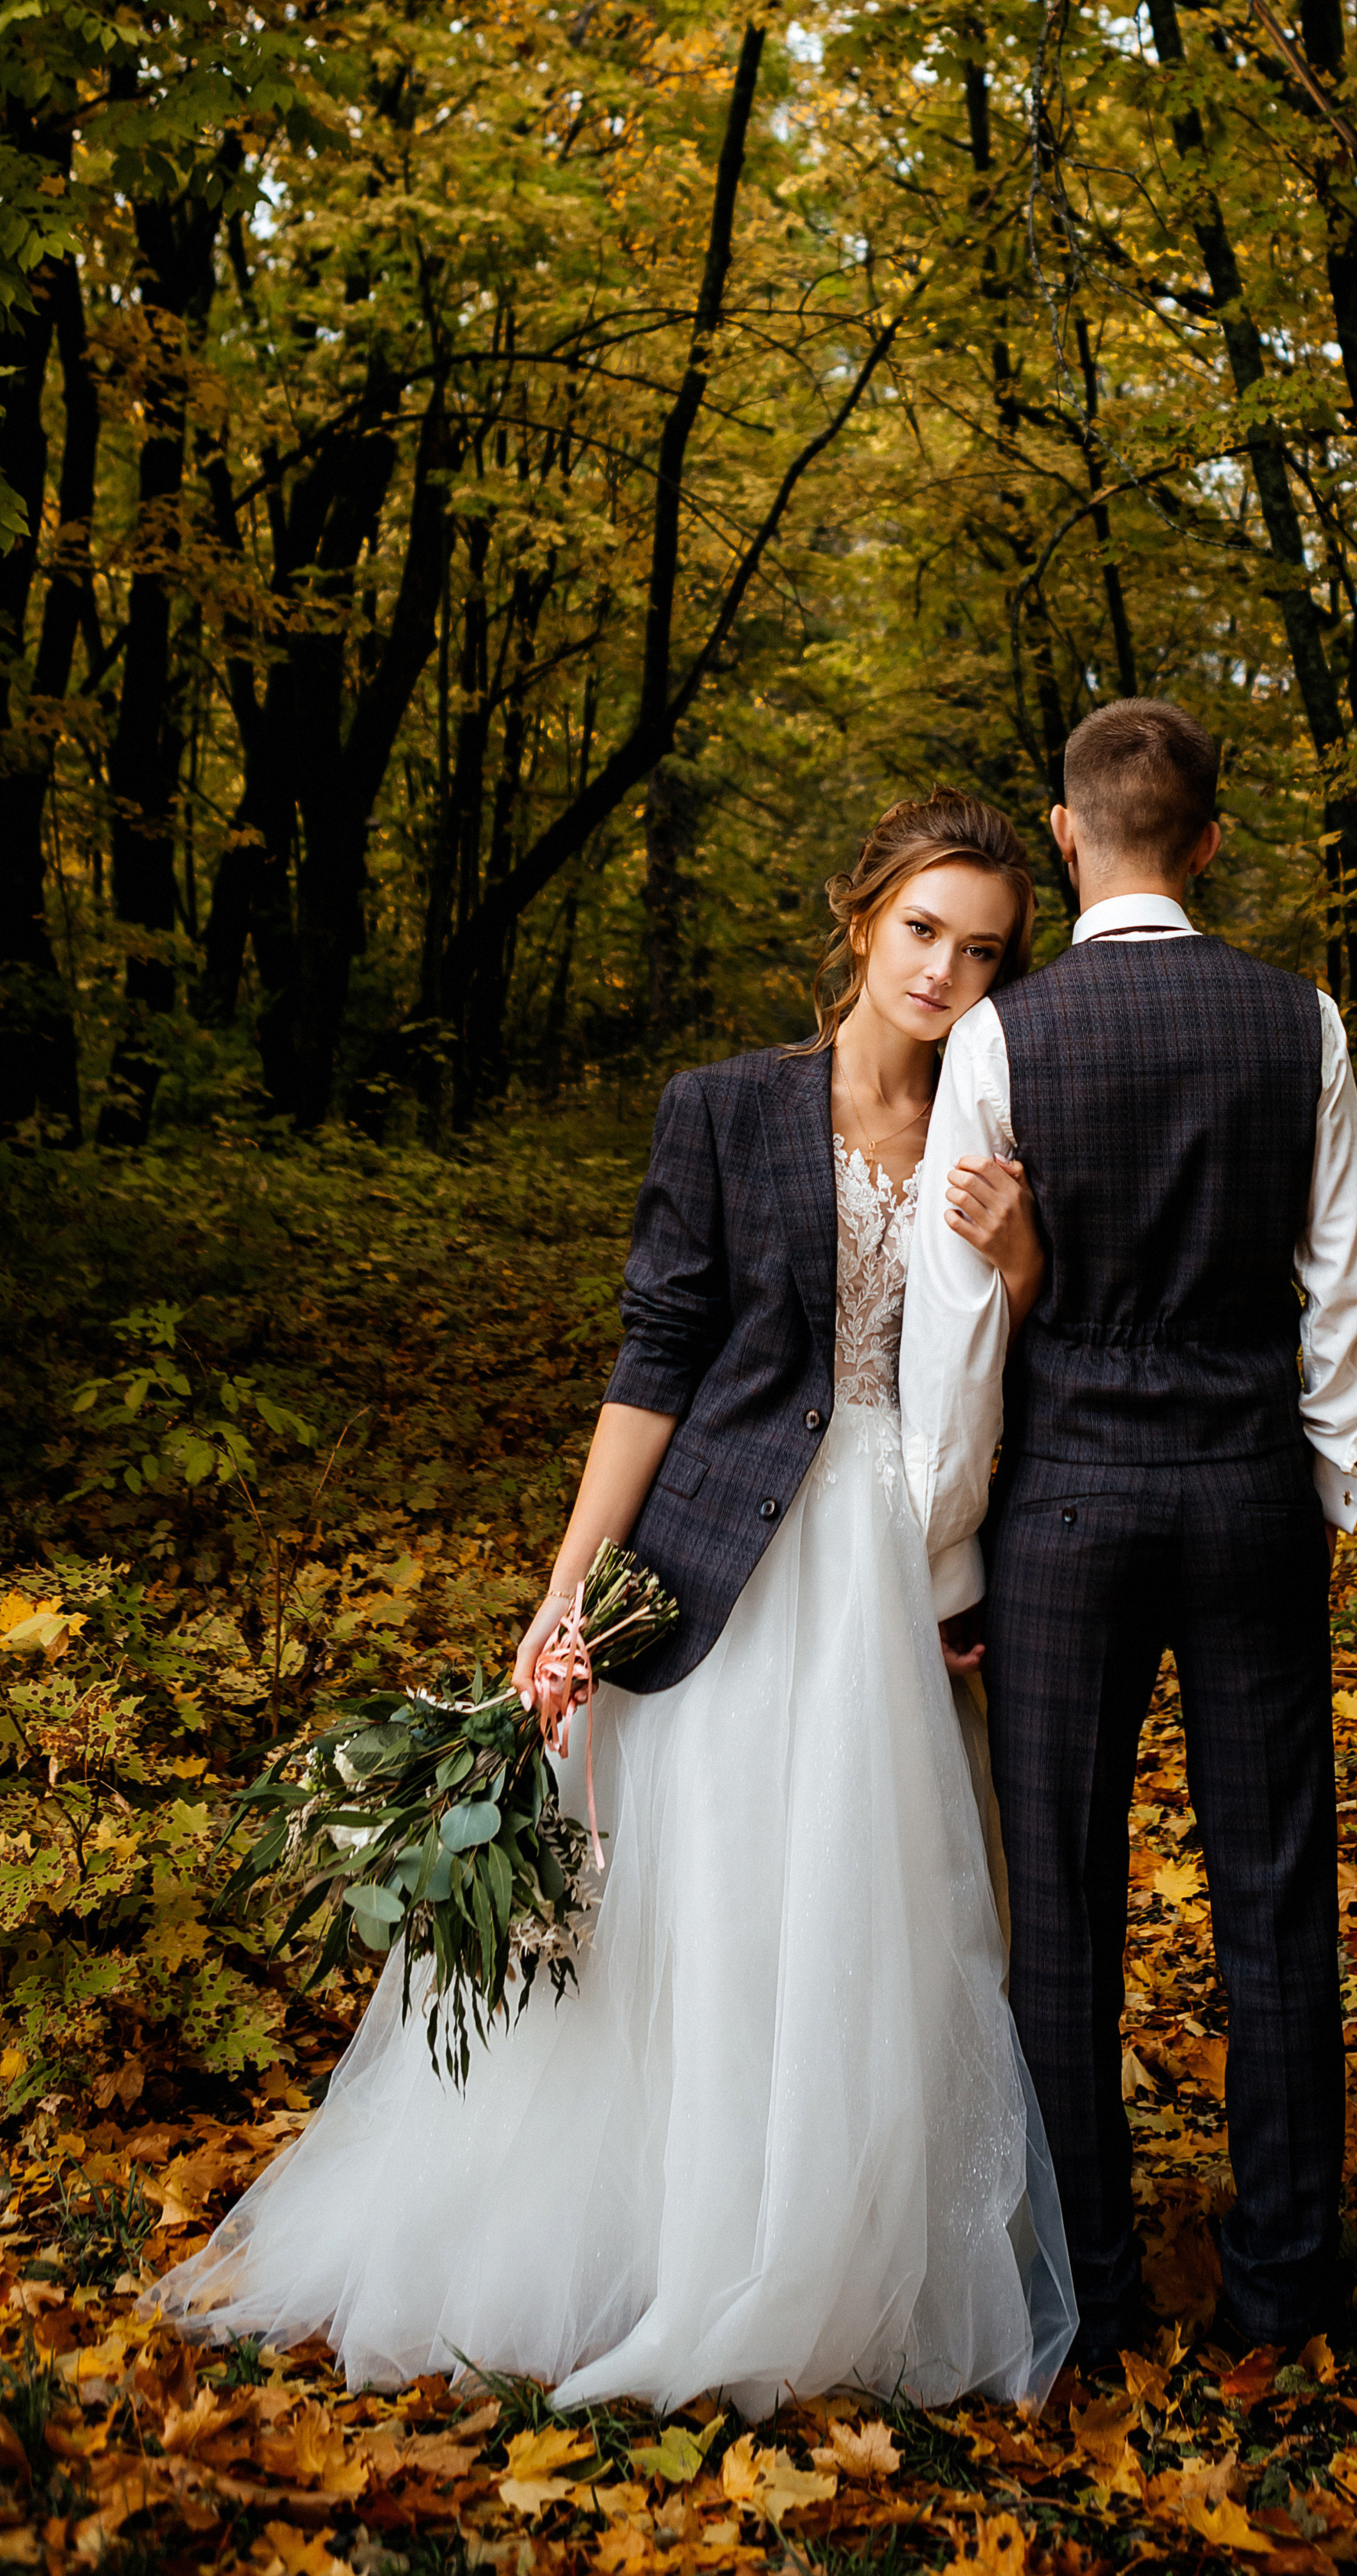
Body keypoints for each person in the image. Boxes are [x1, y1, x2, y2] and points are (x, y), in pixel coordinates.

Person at [152, 792, 1076, 2413]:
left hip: (903, 1567)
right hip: (723, 1554)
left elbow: (1027, 1366)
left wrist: (1021, 1263)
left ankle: (820, 2253)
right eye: (922, 929)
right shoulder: (725, 1109)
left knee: (866, 1913)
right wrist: (570, 1587)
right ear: (863, 918)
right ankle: (654, 2245)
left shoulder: (997, 1134)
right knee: (692, 1900)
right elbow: (658, 1354)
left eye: (983, 950)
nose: (943, 970)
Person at [900, 700, 1357, 2369]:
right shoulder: (1298, 1020)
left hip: (1064, 1513)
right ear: (1209, 840)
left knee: (1059, 1898)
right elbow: (1348, 1290)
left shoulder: (1001, 1038)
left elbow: (959, 1331)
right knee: (1275, 1885)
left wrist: (948, 1554)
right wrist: (1323, 1481)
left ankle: (1086, 2290)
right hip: (1248, 1494)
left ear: (1064, 836)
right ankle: (1286, 2282)